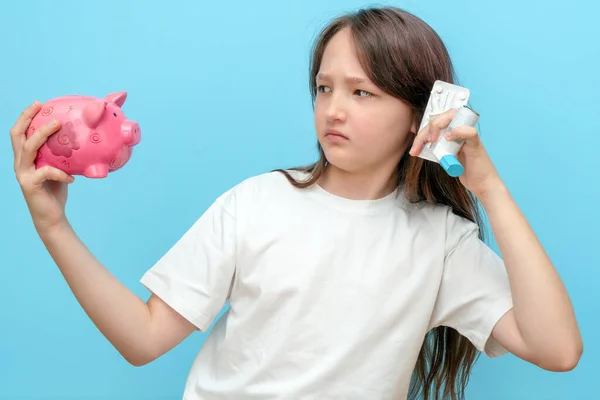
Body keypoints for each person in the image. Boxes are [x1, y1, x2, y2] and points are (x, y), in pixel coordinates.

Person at [10, 6, 582, 400]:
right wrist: (53, 225)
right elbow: (142, 339)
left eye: (362, 92)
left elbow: (556, 350)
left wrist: (490, 189)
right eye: (324, 87)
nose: (333, 109)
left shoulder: (441, 243)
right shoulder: (256, 203)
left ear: (420, 114)